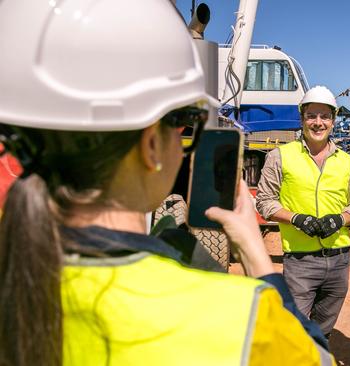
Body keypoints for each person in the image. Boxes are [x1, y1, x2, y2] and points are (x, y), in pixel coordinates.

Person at [0, 1, 333, 365]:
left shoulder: (16, 277)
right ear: (152, 144)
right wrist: (256, 254)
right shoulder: (246, 320)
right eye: (185, 120)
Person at [256, 86, 350, 338]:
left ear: (333, 120)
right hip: (300, 262)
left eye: (324, 117)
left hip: (339, 261)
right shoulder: (280, 157)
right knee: (294, 332)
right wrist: (296, 218)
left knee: (322, 334)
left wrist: (342, 219)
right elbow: (264, 201)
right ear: (302, 118)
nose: (318, 123)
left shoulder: (346, 162)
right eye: (312, 116)